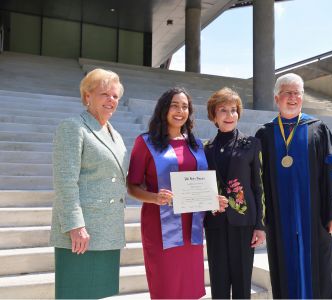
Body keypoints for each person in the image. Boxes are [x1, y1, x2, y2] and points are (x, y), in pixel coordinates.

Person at [255, 73, 332, 299]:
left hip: (314, 216)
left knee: (318, 268)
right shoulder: (265, 133)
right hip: (279, 218)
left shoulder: (317, 129)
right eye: (287, 93)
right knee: (284, 264)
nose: (292, 98)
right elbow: (256, 179)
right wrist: (259, 219)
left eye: (297, 93)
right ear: (276, 98)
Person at [127, 87, 228, 299]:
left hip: (191, 227)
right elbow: (132, 186)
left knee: (189, 285)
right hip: (160, 226)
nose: (180, 111)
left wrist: (212, 199)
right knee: (166, 285)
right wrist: (155, 198)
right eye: (174, 105)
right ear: (164, 109)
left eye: (185, 107)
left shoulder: (196, 145)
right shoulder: (145, 142)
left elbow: (199, 182)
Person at [49, 68, 128, 299]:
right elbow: (65, 181)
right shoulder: (73, 127)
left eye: (115, 96)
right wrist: (76, 226)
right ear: (87, 96)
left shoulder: (116, 135)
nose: (111, 100)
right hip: (82, 232)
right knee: (77, 293)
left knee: (103, 294)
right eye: (104, 94)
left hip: (109, 230)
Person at [204, 87, 266, 299]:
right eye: (223, 110)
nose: (229, 115)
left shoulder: (251, 144)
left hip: (244, 224)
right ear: (214, 115)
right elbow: (202, 187)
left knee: (242, 285)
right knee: (219, 285)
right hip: (215, 224)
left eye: (233, 110)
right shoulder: (205, 149)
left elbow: (259, 187)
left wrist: (260, 225)